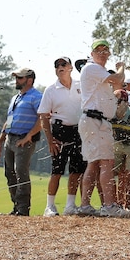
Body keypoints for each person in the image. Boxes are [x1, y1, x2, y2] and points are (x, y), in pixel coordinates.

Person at [78, 40, 127, 217]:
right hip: (95, 121)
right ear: (92, 54)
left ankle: (85, 205)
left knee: (93, 164)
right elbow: (118, 79)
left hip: (94, 120)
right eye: (98, 50)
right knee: (107, 162)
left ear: (108, 53)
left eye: (105, 50)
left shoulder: (98, 73)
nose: (102, 53)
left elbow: (116, 86)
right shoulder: (92, 68)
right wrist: (121, 67)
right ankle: (108, 205)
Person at [37, 56, 86, 217]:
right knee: (56, 171)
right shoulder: (51, 90)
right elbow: (44, 116)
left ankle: (70, 205)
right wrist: (50, 139)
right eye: (57, 66)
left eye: (64, 64)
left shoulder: (81, 85)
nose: (61, 67)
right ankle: (50, 206)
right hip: (59, 133)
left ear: (71, 67)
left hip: (78, 132)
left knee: (76, 170)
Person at [0, 67, 43, 216]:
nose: (16, 81)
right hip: (10, 139)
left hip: (24, 140)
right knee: (10, 173)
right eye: (16, 78)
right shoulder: (15, 98)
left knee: (21, 172)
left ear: (29, 80)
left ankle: (23, 209)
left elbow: (42, 118)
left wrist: (28, 136)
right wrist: (0, 142)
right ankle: (16, 206)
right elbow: (9, 121)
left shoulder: (36, 97)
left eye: (20, 78)